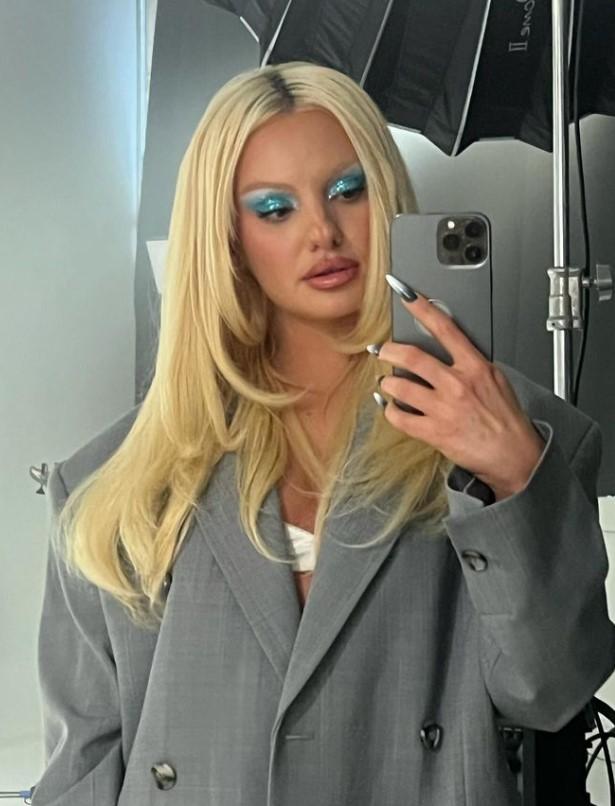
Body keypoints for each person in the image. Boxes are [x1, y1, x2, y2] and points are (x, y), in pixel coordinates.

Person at [31, 61, 615, 806]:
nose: (323, 232)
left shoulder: (534, 438)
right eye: (275, 208)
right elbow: (80, 774)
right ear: (228, 237)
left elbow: (554, 688)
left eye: (347, 190)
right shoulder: (110, 484)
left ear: (386, 192)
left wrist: (512, 478)